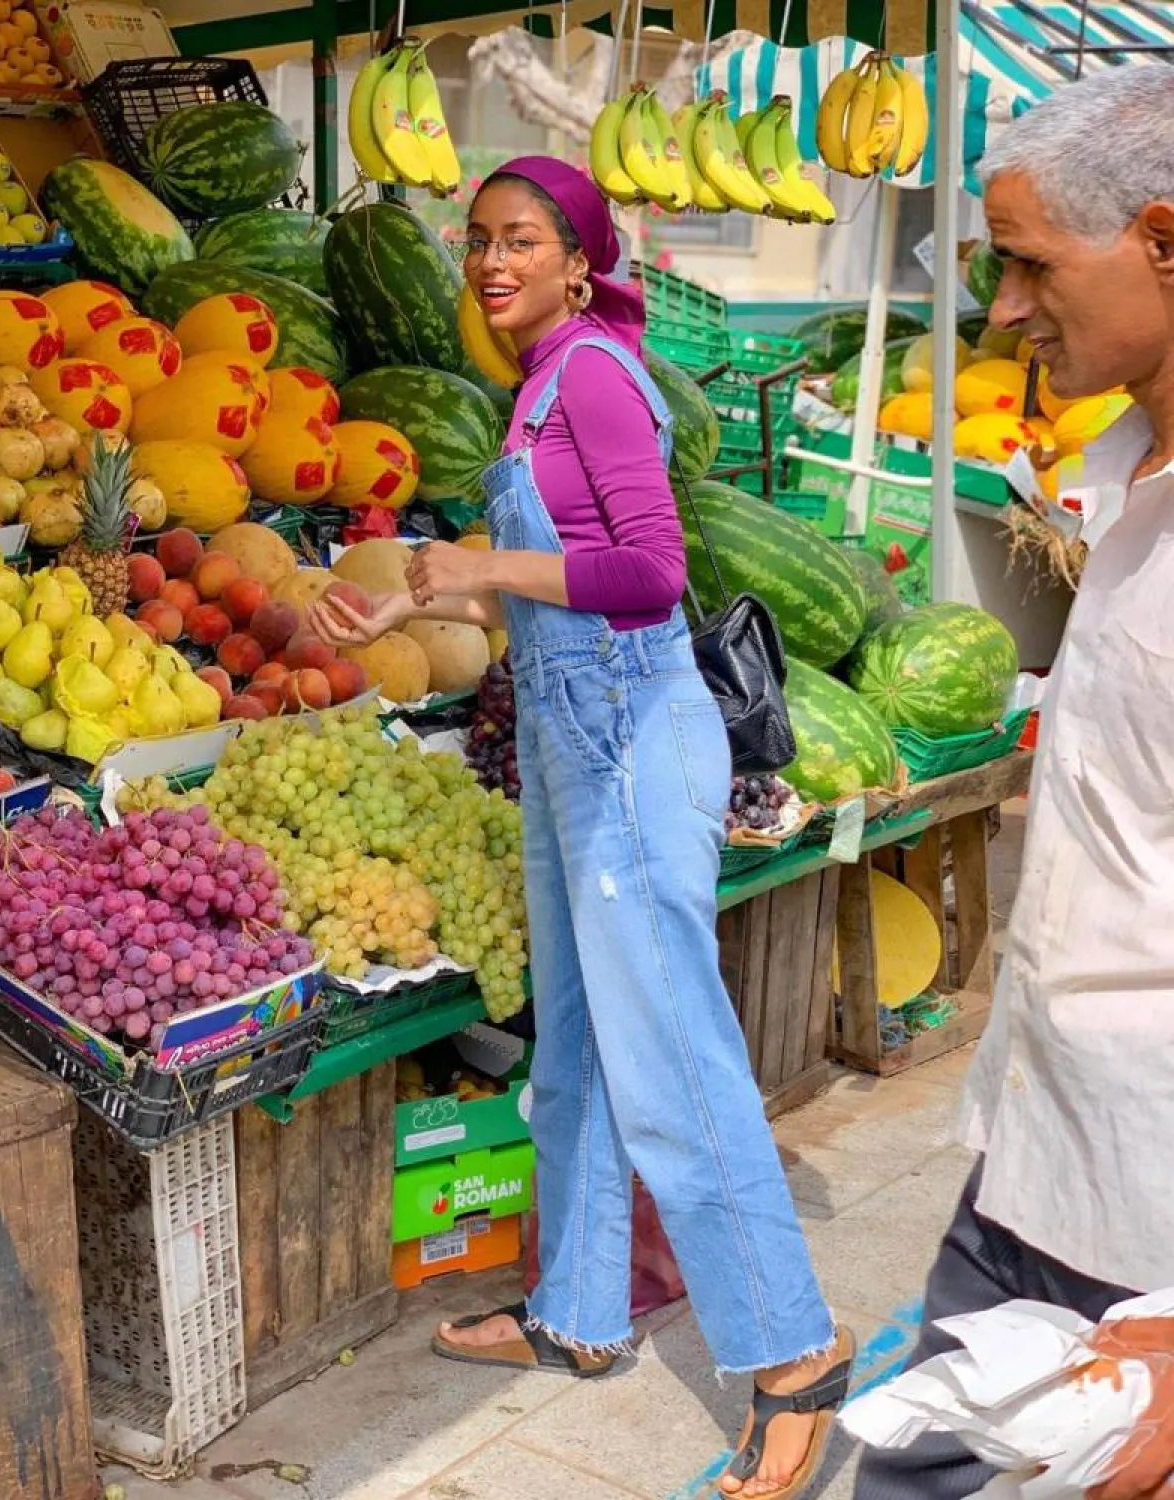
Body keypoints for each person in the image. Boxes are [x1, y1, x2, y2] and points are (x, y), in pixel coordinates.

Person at [309, 155, 851, 1498]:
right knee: (579, 1045)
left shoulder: (597, 373)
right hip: (568, 736)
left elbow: (650, 572)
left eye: (522, 241)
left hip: (628, 737)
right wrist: (413, 606)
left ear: (578, 260)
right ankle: (582, 1309)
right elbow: (546, 589)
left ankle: (793, 1350)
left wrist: (483, 561)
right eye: (478, 241)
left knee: (669, 1056)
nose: (493, 263)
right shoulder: (536, 384)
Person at [853, 65, 1174, 1500]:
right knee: (910, 1472)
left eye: (1034, 265)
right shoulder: (1125, 474)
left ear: (1163, 241)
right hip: (1046, 1144)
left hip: (1152, 1224)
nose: (1001, 311)